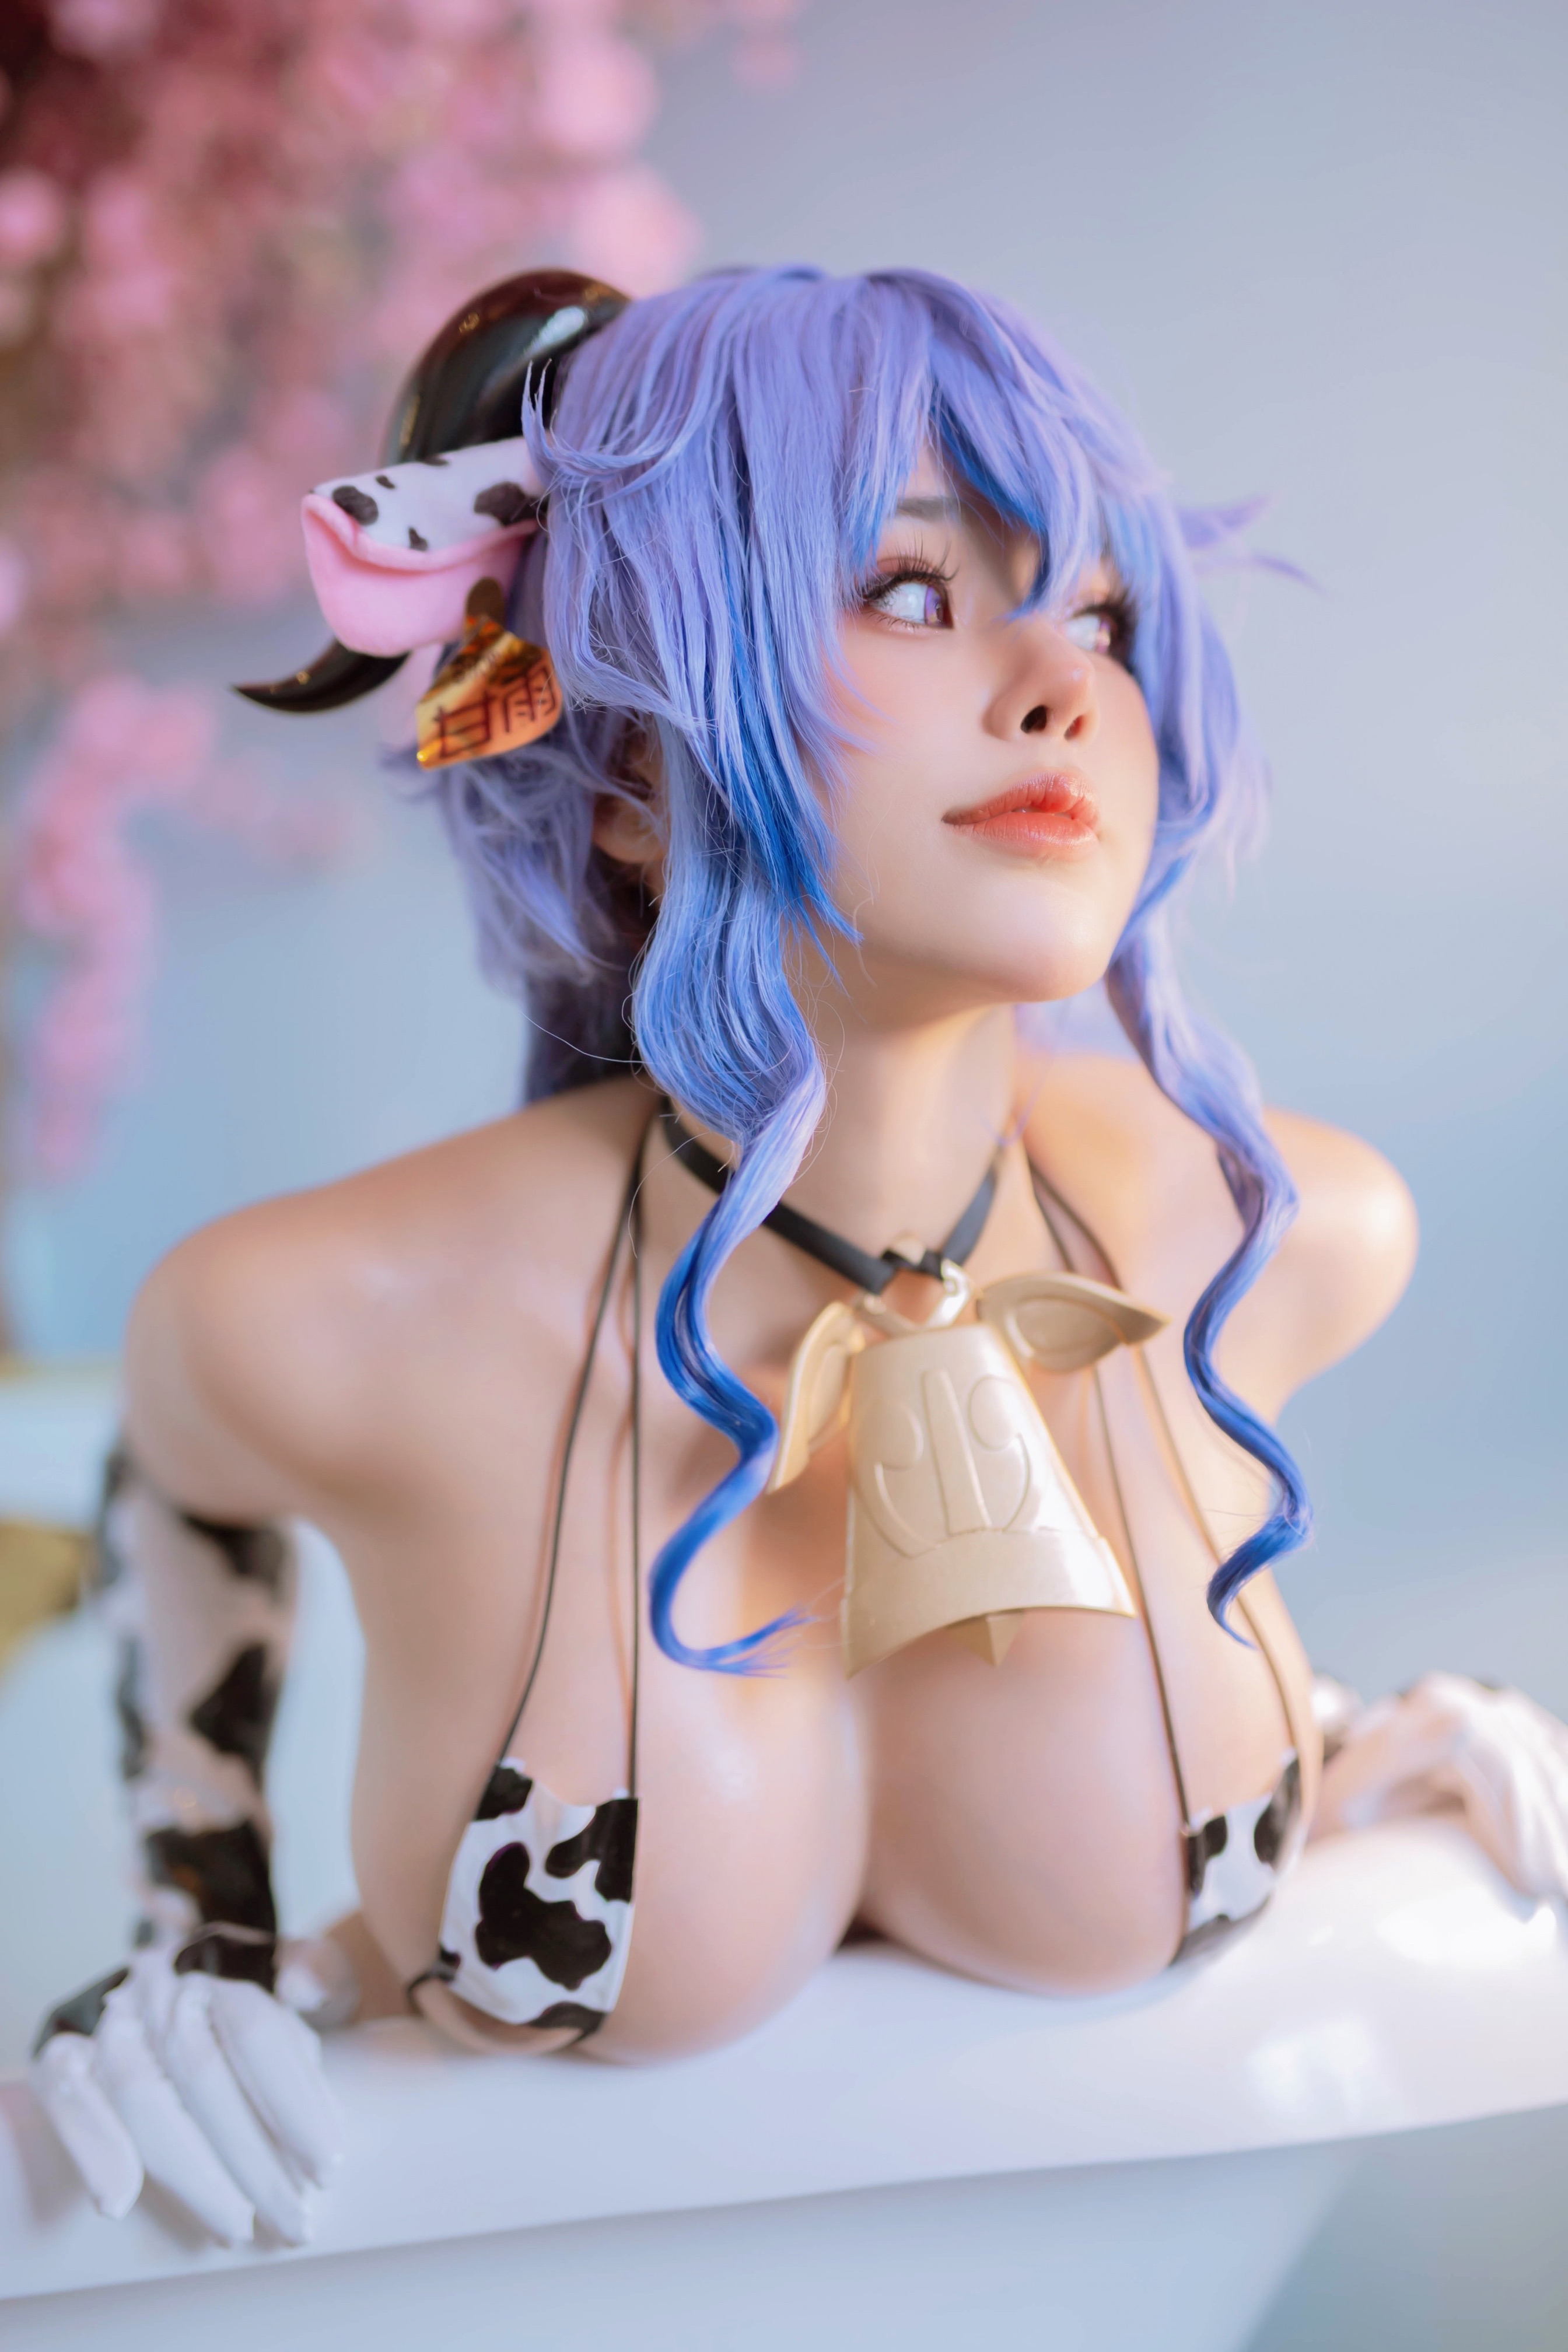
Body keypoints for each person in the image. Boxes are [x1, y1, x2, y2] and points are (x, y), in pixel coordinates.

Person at [30, 266, 1568, 2247]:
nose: (1063, 687)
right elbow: (174, 1478)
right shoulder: (329, 1320)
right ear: (627, 780)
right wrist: (201, 1928)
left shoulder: (1273, 1231)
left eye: (1100, 616)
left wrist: (1328, 1741)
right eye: (911, 593)